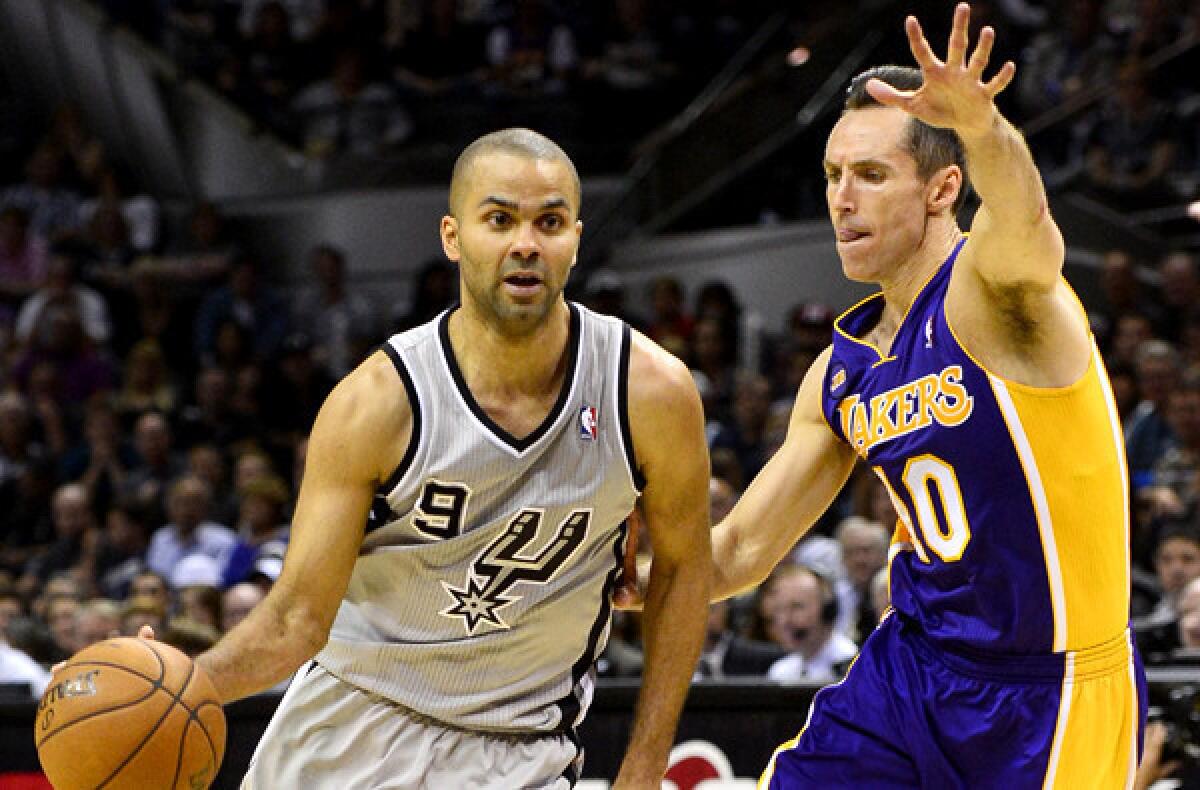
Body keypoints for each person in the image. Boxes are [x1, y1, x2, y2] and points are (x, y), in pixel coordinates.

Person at [149, 128, 711, 788]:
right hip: (349, 733)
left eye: (549, 222)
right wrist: (183, 687)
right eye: (499, 219)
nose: (525, 243)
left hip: (520, 748)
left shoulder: (650, 393)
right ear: (452, 237)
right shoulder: (376, 404)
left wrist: (646, 764)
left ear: (577, 240)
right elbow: (296, 620)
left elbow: (682, 569)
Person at [686, 5, 1142, 786]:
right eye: (833, 176)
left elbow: (1029, 222)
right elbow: (738, 553)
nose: (841, 198)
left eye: (869, 175)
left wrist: (983, 124)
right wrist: (608, 577)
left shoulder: (994, 294)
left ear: (943, 189)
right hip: (911, 669)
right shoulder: (840, 371)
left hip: (1048, 690)